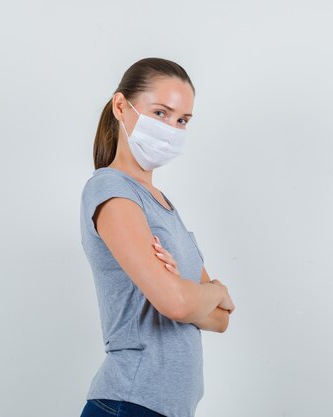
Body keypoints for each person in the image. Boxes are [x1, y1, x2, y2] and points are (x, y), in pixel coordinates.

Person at [78, 57, 235, 417]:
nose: (172, 128)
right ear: (122, 106)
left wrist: (185, 290)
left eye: (182, 120)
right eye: (161, 113)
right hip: (129, 402)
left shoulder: (163, 208)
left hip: (166, 408)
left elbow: (221, 320)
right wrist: (215, 291)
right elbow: (180, 305)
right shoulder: (111, 190)